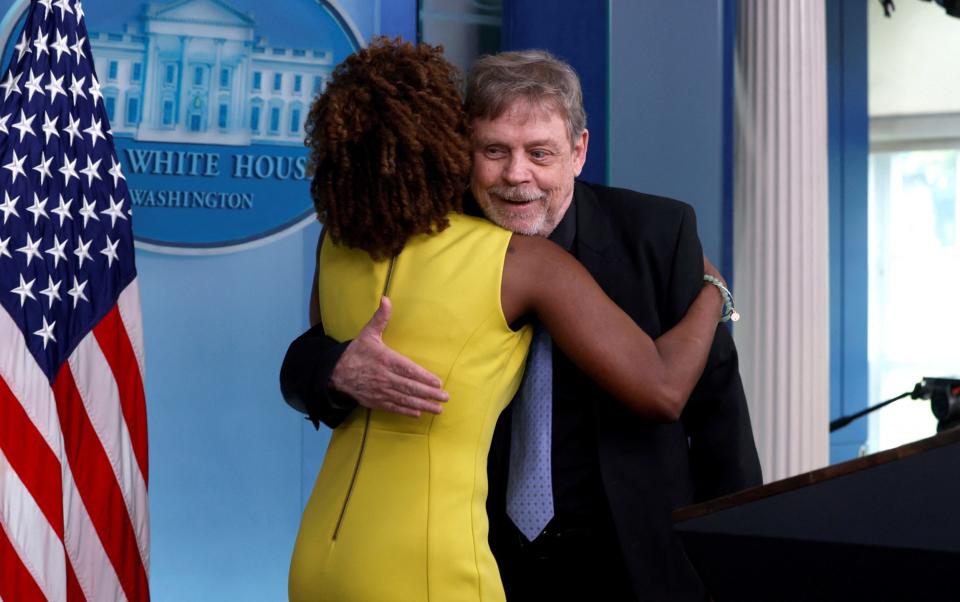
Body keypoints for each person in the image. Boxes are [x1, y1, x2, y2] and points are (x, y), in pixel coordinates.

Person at [283, 38, 731, 602]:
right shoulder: (511, 258)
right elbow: (308, 356)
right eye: (493, 151)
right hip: (469, 559)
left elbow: (720, 420)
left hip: (620, 565)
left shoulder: (658, 235)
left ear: (578, 150)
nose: (516, 175)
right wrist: (716, 291)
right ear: (457, 147)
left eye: (540, 153)